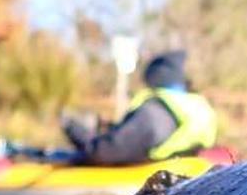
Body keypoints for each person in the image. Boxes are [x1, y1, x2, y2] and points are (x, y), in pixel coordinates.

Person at [62, 49, 218, 165]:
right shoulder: (195, 107)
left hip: (148, 189)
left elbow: (105, 152)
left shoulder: (153, 114)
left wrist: (71, 127)